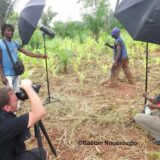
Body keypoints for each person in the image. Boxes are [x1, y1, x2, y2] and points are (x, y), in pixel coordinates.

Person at [0, 79, 47, 160]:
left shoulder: (4, 116)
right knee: (42, 152)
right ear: (6, 107)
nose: (17, 99)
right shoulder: (6, 124)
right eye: (15, 101)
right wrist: (28, 88)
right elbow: (39, 112)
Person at [0, 23, 46, 92]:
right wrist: (2, 76)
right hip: (7, 75)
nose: (11, 32)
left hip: (16, 73)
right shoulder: (1, 44)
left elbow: (27, 53)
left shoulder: (15, 43)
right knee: (11, 96)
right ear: (3, 32)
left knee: (18, 93)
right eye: (8, 30)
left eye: (12, 31)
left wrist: (41, 56)